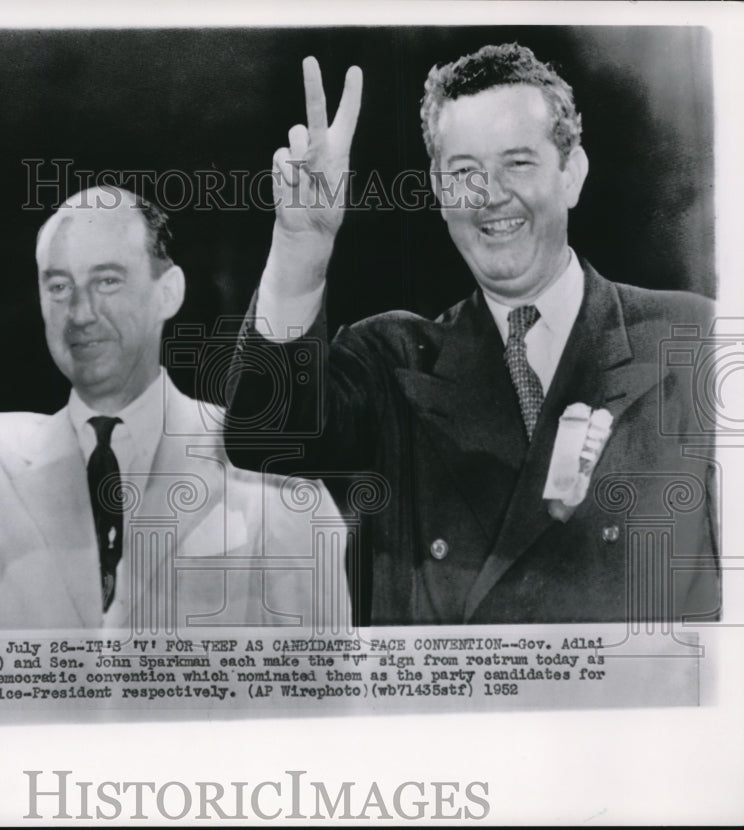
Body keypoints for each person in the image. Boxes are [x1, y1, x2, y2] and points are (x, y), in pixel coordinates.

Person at [224, 44, 721, 625]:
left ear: (572, 174)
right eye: (464, 172)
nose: (489, 194)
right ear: (438, 192)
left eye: (518, 162)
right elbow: (266, 435)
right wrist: (301, 247)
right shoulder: (391, 361)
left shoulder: (693, 338)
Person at [0, 116, 350, 632]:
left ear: (169, 291)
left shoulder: (266, 468)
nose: (80, 311)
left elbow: (327, 684)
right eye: (58, 286)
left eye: (108, 281)